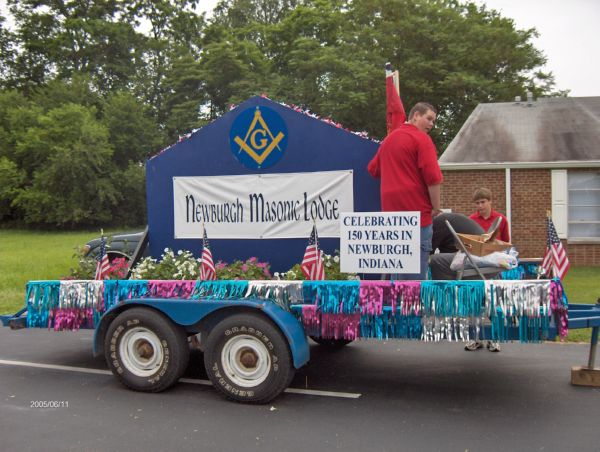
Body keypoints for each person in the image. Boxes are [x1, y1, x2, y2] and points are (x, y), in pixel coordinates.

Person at [368, 100, 443, 280]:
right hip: (417, 215)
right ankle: (410, 307)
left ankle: (396, 307)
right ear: (415, 115)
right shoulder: (422, 139)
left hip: (391, 218)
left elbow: (373, 169)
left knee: (395, 267)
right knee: (413, 278)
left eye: (434, 121)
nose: (432, 124)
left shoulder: (389, 140)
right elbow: (433, 178)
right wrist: (436, 207)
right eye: (429, 119)